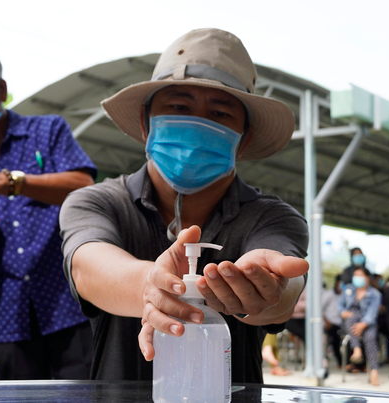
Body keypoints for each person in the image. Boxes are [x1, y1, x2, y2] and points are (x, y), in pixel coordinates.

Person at [59, 28, 309, 383]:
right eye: (179, 106)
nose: (199, 122)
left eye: (220, 114)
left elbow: (284, 286)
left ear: (244, 138)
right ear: (146, 122)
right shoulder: (97, 201)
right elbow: (88, 268)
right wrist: (151, 285)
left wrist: (268, 288)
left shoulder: (273, 217)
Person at [0, 50, 97, 380]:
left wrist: (15, 182)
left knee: (82, 394)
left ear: (0, 90)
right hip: (11, 316)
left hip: (67, 304)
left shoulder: (48, 131)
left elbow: (82, 184)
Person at [337, 267, 381, 385]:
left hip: (367, 323)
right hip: (350, 322)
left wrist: (363, 324)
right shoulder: (348, 289)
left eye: (359, 275)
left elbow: (372, 313)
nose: (356, 277)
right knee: (351, 317)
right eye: (355, 275)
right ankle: (356, 348)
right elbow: (340, 305)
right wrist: (342, 312)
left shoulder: (375, 294)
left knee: (370, 338)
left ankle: (374, 371)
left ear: (366, 278)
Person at [322, 275, 344, 369]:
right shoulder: (328, 294)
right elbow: (319, 308)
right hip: (330, 322)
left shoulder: (347, 294)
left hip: (343, 323)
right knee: (335, 339)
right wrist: (326, 320)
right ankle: (340, 362)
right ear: (337, 283)